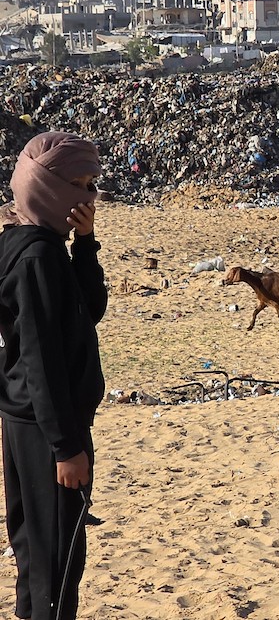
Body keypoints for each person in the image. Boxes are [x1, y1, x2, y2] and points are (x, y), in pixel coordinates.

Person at [0, 132, 105, 620]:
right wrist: (66, 447)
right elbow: (41, 360)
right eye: (78, 186)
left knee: (38, 555)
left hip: (28, 421)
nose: (87, 199)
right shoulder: (38, 258)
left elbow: (90, 311)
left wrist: (85, 246)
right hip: (47, 431)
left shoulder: (30, 242)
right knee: (55, 562)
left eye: (92, 187)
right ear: (46, 186)